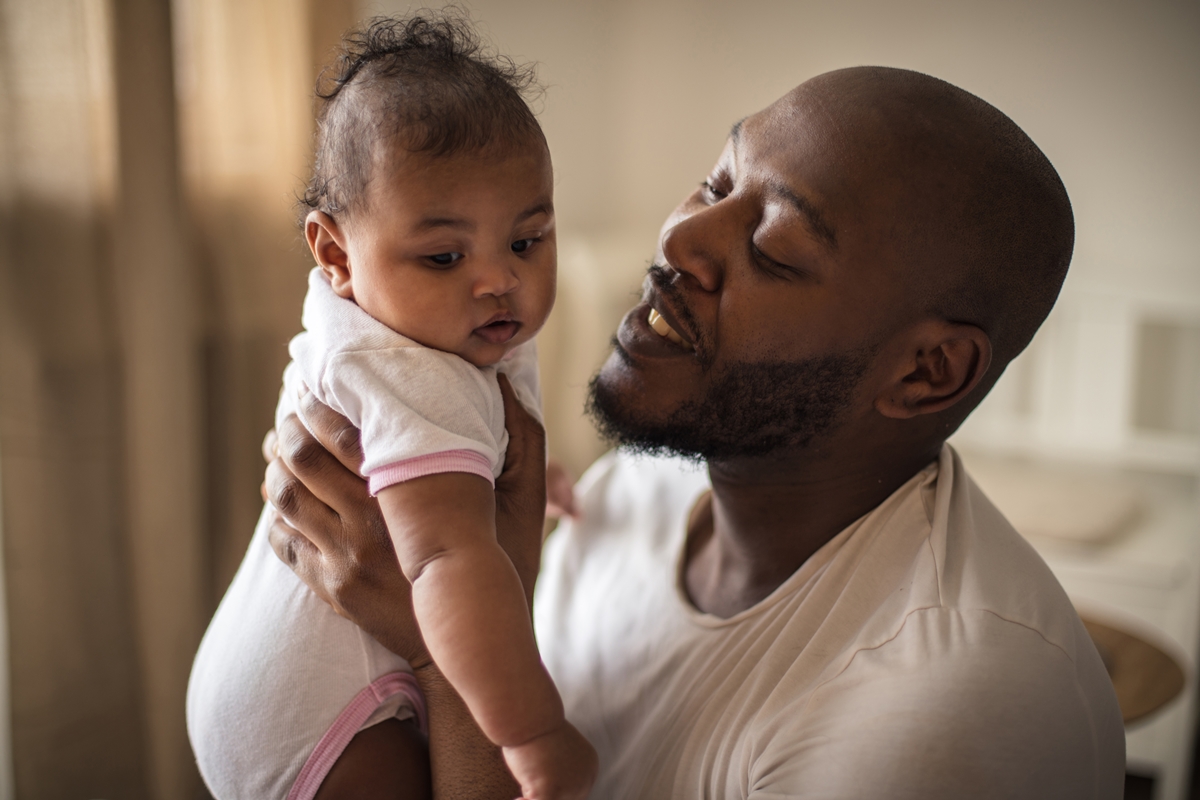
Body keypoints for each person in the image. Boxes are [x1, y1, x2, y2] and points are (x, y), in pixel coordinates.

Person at [263, 66, 1126, 798]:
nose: (680, 237)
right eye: (716, 185)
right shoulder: (632, 488)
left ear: (925, 372)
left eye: (776, 247)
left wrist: (430, 653)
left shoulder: (942, 710)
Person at [186, 15, 596, 800]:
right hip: (332, 722)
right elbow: (448, 559)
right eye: (445, 256)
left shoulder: (395, 318)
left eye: (528, 240)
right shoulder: (415, 368)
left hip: (267, 677)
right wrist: (533, 735)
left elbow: (442, 464)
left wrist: (527, 482)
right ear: (337, 254)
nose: (496, 280)